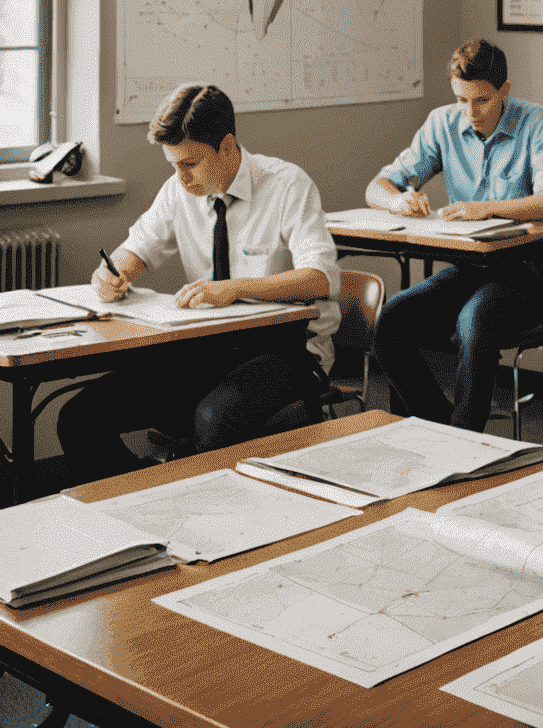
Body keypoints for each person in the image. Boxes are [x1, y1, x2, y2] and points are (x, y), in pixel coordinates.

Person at [58, 84, 339, 482]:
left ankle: (209, 523)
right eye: (173, 164)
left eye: (190, 164)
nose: (181, 177)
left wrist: (235, 287)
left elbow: (319, 278)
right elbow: (135, 249)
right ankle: (143, 507)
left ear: (227, 147)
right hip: (212, 348)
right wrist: (116, 273)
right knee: (80, 417)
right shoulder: (179, 189)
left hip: (289, 351)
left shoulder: (287, 185)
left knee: (212, 417)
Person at [368, 37, 543, 431]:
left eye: (482, 101)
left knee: (474, 319)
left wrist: (488, 207)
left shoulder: (535, 121)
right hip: (469, 267)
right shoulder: (443, 122)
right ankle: (444, 429)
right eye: (462, 100)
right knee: (390, 322)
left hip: (526, 273)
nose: (471, 112)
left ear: (504, 92)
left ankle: (466, 440)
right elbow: (377, 185)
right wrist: (398, 202)